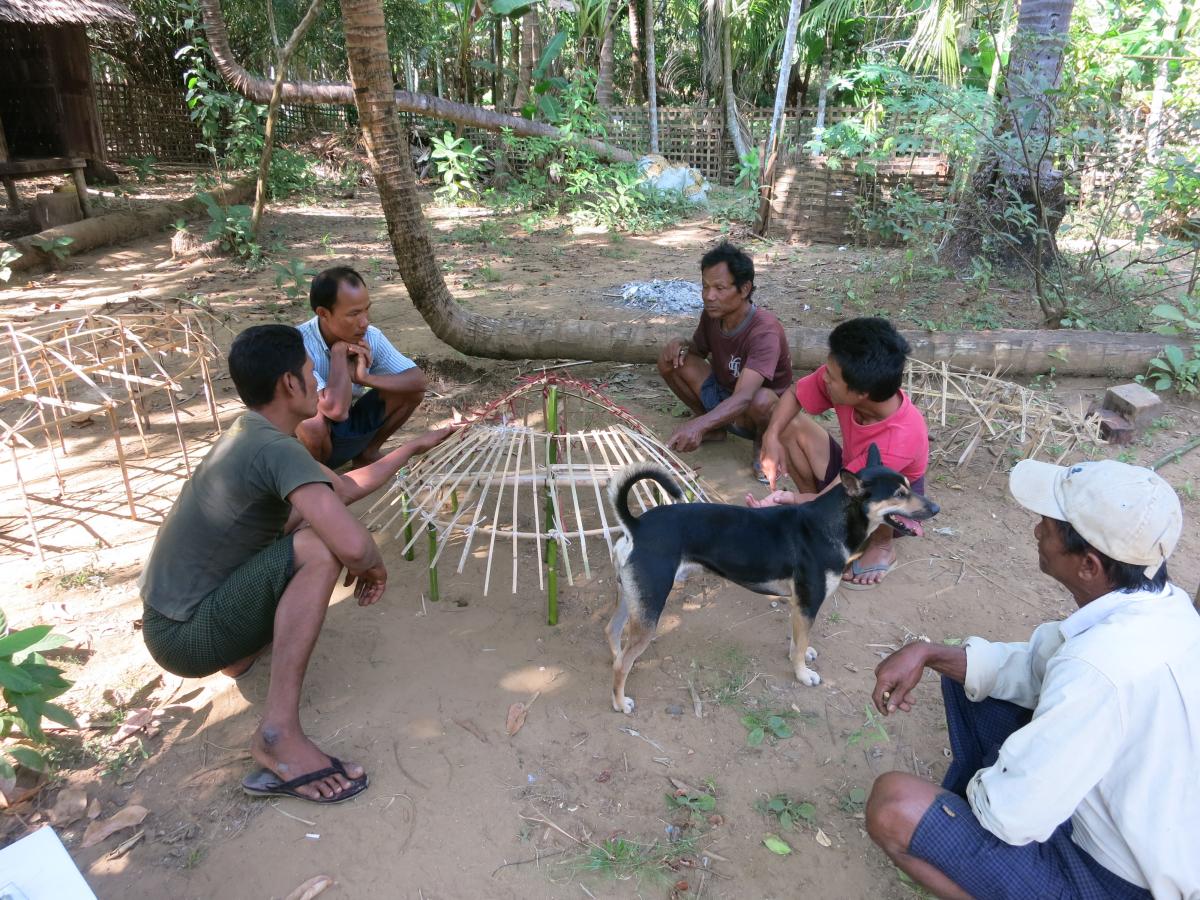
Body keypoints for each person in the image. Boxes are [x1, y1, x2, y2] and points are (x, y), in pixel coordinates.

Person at [140, 324, 453, 803]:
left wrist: (412, 447)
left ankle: (237, 652)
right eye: (313, 373)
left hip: (172, 617)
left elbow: (343, 489)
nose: (320, 382)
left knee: (303, 524)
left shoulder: (252, 432)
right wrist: (372, 566)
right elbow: (350, 542)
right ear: (291, 383)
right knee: (320, 546)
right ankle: (278, 735)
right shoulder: (275, 448)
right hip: (183, 637)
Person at [865, 459, 1197, 899]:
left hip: (1120, 883)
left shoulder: (1099, 667)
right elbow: (1037, 666)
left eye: (1049, 525)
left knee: (895, 806)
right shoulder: (1169, 610)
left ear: (1089, 566)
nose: (1037, 530)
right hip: (1155, 839)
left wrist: (1008, 766)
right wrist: (931, 654)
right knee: (974, 685)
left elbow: (1012, 816)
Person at [747, 317, 929, 587]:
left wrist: (787, 501)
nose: (825, 378)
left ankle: (882, 546)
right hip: (853, 473)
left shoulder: (898, 440)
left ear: (861, 393)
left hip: (884, 497)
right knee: (789, 426)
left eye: (831, 377)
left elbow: (841, 493)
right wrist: (770, 436)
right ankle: (817, 523)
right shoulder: (851, 383)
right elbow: (796, 393)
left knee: (885, 493)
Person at [657, 241, 794, 481]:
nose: (709, 296)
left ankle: (763, 446)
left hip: (757, 410)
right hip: (725, 394)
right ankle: (716, 428)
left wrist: (698, 425)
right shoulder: (713, 316)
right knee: (672, 361)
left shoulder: (764, 331)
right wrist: (680, 343)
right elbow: (697, 352)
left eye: (720, 288)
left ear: (744, 289)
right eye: (705, 286)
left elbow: (745, 397)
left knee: (762, 398)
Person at [296, 266, 427, 469]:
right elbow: (335, 410)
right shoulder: (298, 345)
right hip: (310, 441)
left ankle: (367, 453)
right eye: (354, 313)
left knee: (410, 392)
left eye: (367, 309)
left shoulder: (370, 336)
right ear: (323, 313)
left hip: (347, 425)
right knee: (311, 422)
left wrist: (365, 378)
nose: (365, 322)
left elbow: (418, 381)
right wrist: (339, 353)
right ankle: (316, 474)